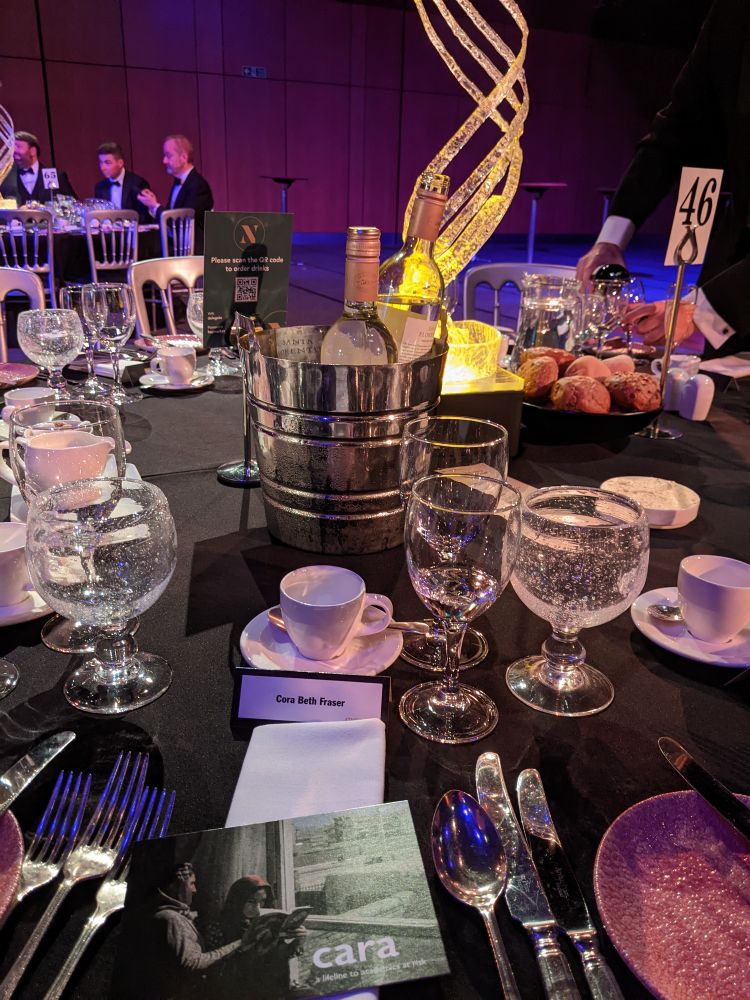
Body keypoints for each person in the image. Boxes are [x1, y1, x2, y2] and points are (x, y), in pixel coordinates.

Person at [576, 0, 749, 357]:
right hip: (733, 261)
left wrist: (700, 309)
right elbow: (675, 131)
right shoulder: (732, 13)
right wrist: (611, 240)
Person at [116, 861, 253, 1000]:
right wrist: (239, 943)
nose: (195, 890)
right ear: (177, 886)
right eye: (191, 884)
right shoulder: (171, 919)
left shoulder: (174, 915)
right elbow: (193, 963)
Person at [207, 876, 306, 1000]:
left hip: (270, 989)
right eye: (251, 902)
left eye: (263, 901)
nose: (258, 908)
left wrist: (299, 941)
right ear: (238, 900)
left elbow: (280, 955)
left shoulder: (266, 922)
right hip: (237, 991)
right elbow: (215, 967)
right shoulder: (218, 926)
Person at [137, 134, 213, 251]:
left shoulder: (198, 185)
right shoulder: (180, 182)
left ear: (183, 157)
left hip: (191, 251)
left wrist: (155, 206)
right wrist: (153, 205)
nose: (164, 161)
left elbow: (180, 222)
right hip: (178, 247)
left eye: (168, 156)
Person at [0, 130, 76, 205]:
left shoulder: (56, 176)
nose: (13, 151)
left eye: (18, 146)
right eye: (12, 147)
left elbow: (72, 204)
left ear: (33, 151)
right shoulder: (6, 178)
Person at [94, 141, 151, 222]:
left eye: (107, 163)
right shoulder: (100, 187)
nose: (102, 168)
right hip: (108, 233)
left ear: (120, 163)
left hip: (132, 233)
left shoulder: (138, 184)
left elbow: (143, 218)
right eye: (101, 162)